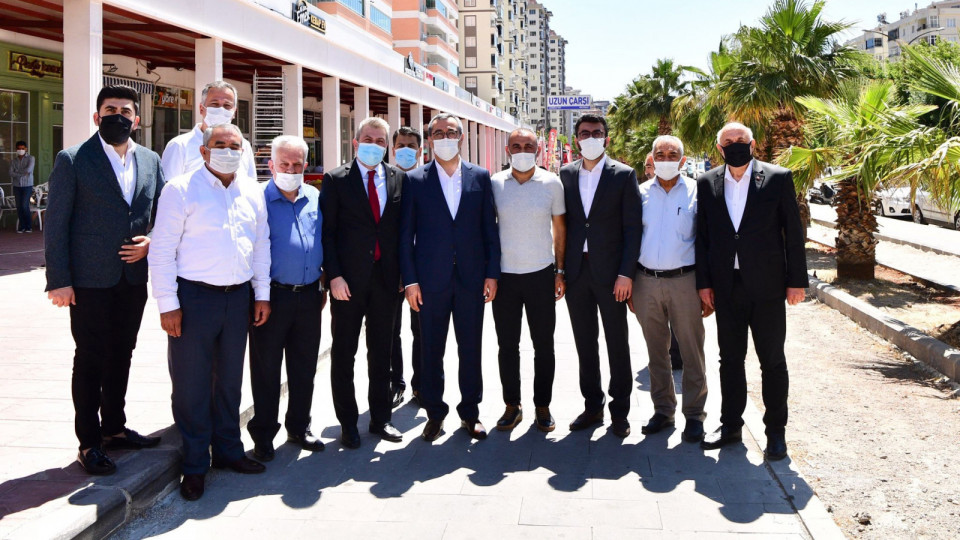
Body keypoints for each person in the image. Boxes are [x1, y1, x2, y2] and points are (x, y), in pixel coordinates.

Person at [44, 85, 164, 475]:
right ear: (97, 116)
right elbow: (56, 223)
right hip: (88, 280)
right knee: (90, 357)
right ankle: (89, 442)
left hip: (132, 278)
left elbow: (163, 212)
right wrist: (59, 280)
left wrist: (152, 241)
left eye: (125, 111)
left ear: (137, 120)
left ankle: (114, 427)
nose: (118, 116)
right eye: (110, 109)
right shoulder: (73, 159)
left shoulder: (150, 160)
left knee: (122, 353)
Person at [149, 123, 271, 501]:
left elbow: (261, 246)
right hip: (194, 299)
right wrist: (168, 304)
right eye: (220, 144)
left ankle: (229, 451)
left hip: (238, 299)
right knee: (192, 384)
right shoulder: (180, 189)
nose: (228, 151)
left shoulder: (252, 191)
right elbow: (162, 250)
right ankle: (195, 464)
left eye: (235, 146)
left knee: (229, 381)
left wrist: (262, 295)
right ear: (204, 151)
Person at [696, 122, 808, 461]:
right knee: (729, 360)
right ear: (719, 148)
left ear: (752, 143)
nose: (735, 145)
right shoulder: (707, 182)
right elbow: (703, 236)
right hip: (726, 287)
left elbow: (793, 232)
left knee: (772, 361)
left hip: (768, 287)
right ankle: (731, 425)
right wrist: (704, 283)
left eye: (740, 140)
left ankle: (776, 433)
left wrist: (796, 281)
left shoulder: (777, 178)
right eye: (728, 141)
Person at [399, 113, 500, 442]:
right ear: (429, 140)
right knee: (431, 350)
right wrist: (410, 281)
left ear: (462, 137)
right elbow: (406, 236)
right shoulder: (415, 180)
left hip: (472, 279)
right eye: (439, 132)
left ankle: (470, 412)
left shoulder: (480, 176)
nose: (445, 137)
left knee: (470, 348)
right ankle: (434, 413)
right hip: (430, 282)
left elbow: (489, 229)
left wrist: (492, 273)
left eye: (451, 132)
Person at [321, 117, 405, 449]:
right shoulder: (336, 179)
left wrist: (404, 275)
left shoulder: (398, 178)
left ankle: (381, 418)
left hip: (386, 281)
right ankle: (348, 423)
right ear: (355, 143)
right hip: (348, 283)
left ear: (387, 147)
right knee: (344, 353)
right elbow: (327, 233)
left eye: (381, 141)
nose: (374, 145)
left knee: (381, 352)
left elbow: (401, 231)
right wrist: (334, 276)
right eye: (368, 139)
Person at [560, 113, 641, 438]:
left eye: (596, 132)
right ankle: (592, 405)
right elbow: (562, 225)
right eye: (584, 133)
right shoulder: (565, 174)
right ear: (576, 139)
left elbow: (633, 229)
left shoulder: (623, 174)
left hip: (612, 276)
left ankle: (620, 412)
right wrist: (560, 271)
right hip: (577, 273)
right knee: (584, 343)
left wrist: (626, 274)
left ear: (606, 138)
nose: (590, 137)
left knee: (617, 343)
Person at [247, 135, 326, 462]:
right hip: (271, 298)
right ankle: (264, 434)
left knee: (304, 367)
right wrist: (259, 296)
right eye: (284, 164)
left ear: (305, 165)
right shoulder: (257, 200)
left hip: (309, 296)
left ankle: (299, 426)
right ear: (271, 165)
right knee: (266, 370)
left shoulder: (315, 197)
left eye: (297, 165)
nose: (291, 170)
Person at [632, 135, 708, 443]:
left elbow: (707, 241)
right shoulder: (639, 194)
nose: (666, 159)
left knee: (691, 351)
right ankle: (663, 410)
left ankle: (695, 414)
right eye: (660, 154)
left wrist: (706, 287)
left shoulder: (697, 192)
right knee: (656, 352)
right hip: (645, 282)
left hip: (685, 282)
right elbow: (630, 239)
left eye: (672, 154)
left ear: (683, 160)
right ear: (652, 159)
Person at [490, 128, 566, 433]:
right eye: (517, 146)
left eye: (528, 146)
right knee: (507, 345)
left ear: (538, 150)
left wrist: (560, 271)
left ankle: (542, 406)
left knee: (544, 345)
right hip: (505, 278)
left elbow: (560, 230)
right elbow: (487, 229)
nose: (522, 151)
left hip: (541, 275)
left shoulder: (552, 183)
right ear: (507, 150)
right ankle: (512, 405)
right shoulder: (495, 183)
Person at [388, 126, 423, 408]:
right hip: (388, 271)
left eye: (411, 146)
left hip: (421, 272)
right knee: (390, 332)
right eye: (401, 145)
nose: (406, 150)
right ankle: (394, 383)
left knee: (422, 331)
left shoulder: (426, 181)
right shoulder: (385, 181)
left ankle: (421, 385)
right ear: (393, 149)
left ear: (420, 151)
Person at [160, 81, 257, 180]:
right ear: (201, 109)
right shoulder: (179, 146)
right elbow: (169, 186)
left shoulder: (244, 146)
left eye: (227, 105)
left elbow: (251, 183)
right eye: (214, 104)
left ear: (234, 112)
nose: (221, 110)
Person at [9, 140, 35, 233]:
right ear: (16, 149)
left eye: (22, 148)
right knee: (19, 207)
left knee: (24, 205)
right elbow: (10, 173)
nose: (21, 150)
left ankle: (29, 226)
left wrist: (17, 172)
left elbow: (29, 170)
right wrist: (22, 173)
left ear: (26, 149)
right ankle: (22, 226)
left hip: (27, 185)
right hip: (17, 186)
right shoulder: (14, 161)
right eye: (19, 149)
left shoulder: (31, 158)